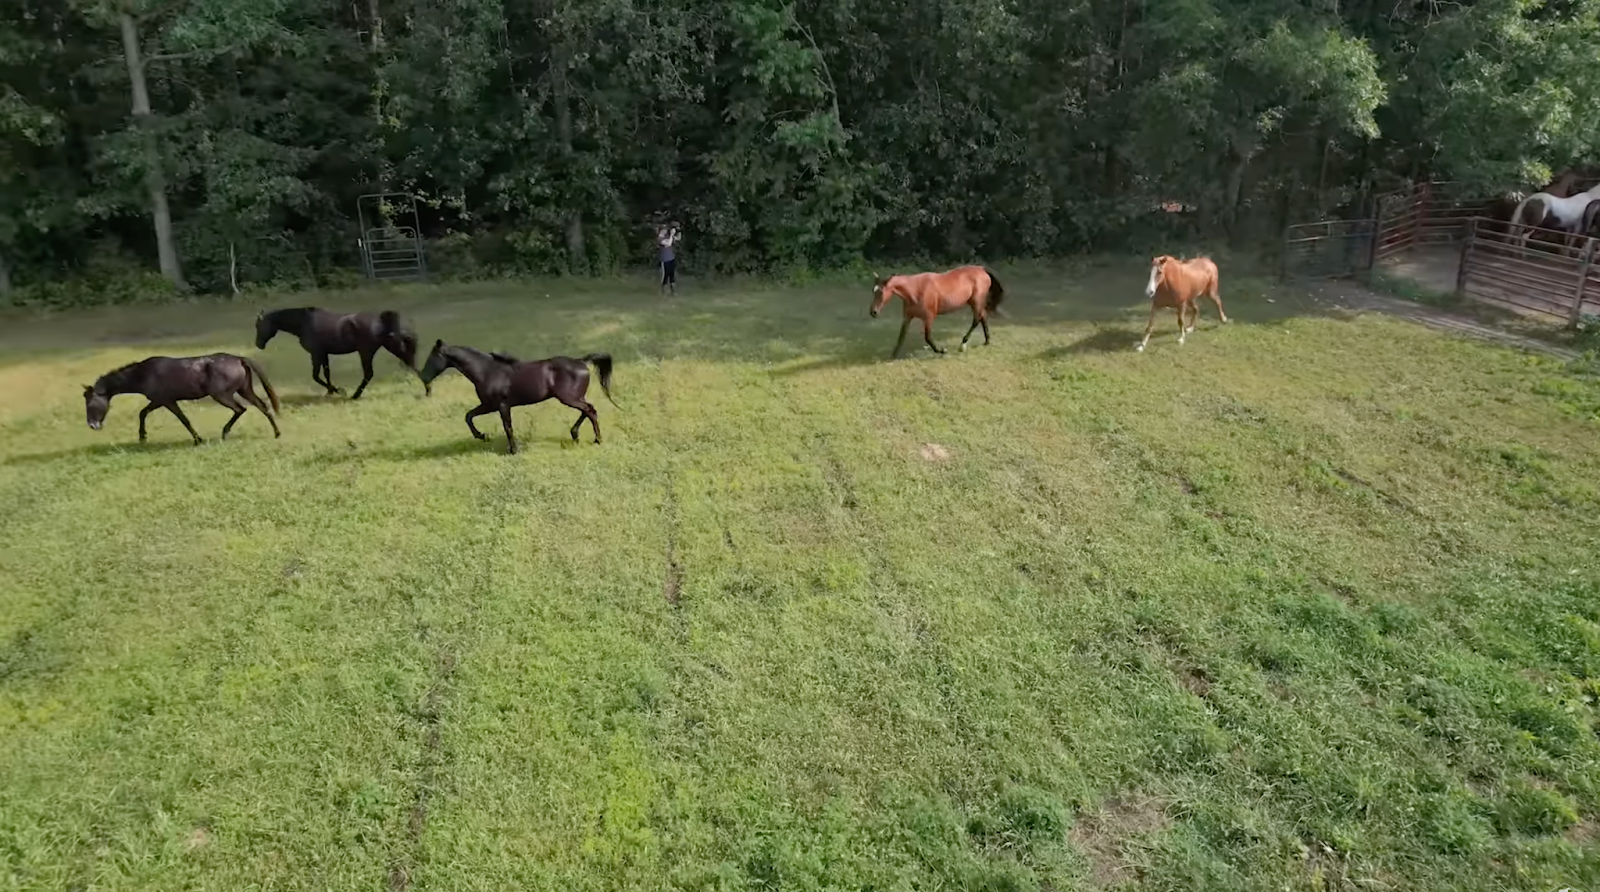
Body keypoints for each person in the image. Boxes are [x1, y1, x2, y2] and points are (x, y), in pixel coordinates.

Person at [657, 222, 682, 295]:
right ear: (661, 230)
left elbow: (678, 238)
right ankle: (663, 290)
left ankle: (673, 291)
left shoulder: (667, 236)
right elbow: (668, 244)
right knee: (665, 275)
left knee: (672, 274)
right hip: (664, 259)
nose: (665, 230)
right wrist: (671, 234)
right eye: (664, 229)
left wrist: (678, 230)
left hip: (671, 258)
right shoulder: (659, 238)